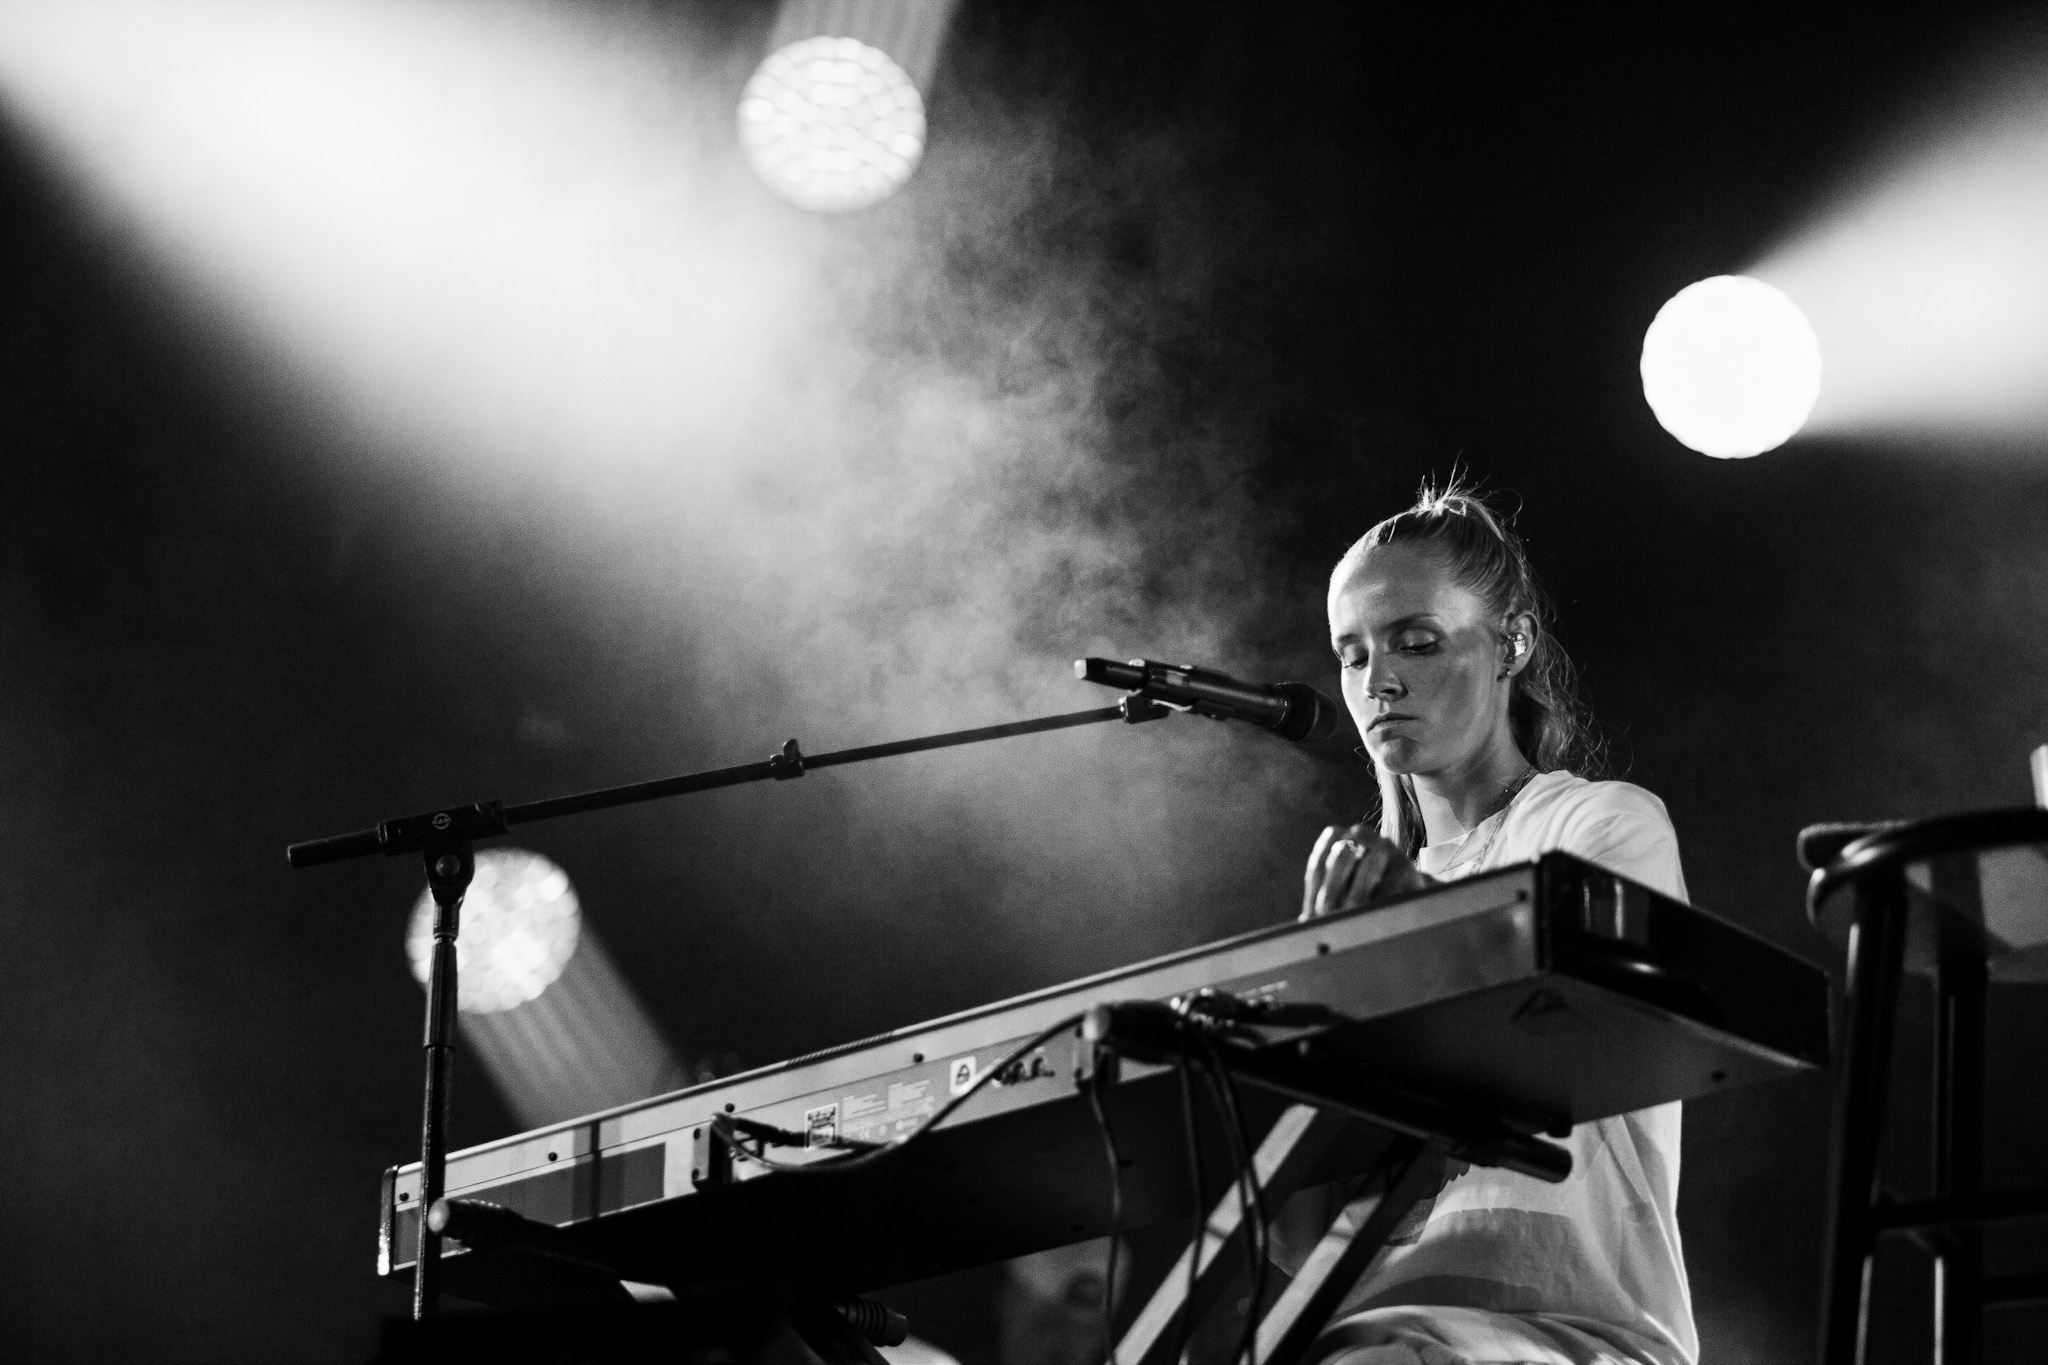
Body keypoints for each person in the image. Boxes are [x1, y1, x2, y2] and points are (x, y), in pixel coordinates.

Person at [1283, 481, 1697, 1365]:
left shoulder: (1601, 824)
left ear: (1513, 642)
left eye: (1416, 641)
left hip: (1570, 1328)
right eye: (1351, 655)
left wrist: (1399, 943)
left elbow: (1578, 1041)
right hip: (1371, 1334)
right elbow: (1298, 1237)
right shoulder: (1353, 905)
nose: (1377, 680)